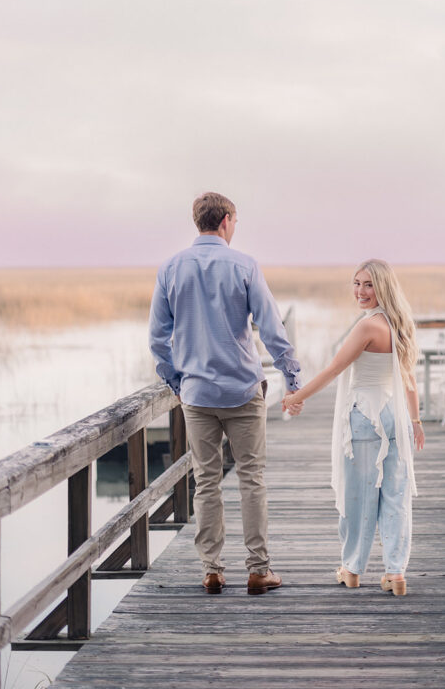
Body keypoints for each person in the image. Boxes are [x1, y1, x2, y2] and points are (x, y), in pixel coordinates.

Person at [149, 191, 302, 595]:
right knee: (251, 478)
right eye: (235, 221)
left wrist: (178, 382)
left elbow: (157, 340)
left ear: (197, 221)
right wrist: (291, 375)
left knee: (206, 481)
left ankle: (212, 570)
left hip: (197, 395)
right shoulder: (245, 265)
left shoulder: (170, 268)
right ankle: (258, 569)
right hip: (242, 389)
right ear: (227, 220)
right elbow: (271, 329)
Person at [282, 259, 423, 595]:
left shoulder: (367, 327)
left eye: (369, 285)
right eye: (356, 283)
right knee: (395, 497)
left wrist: (294, 398)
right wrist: (415, 421)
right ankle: (395, 573)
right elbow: (409, 378)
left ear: (383, 287)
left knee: (359, 496)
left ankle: (353, 568)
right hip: (395, 416)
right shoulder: (399, 323)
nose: (360, 291)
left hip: (365, 417)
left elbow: (332, 370)